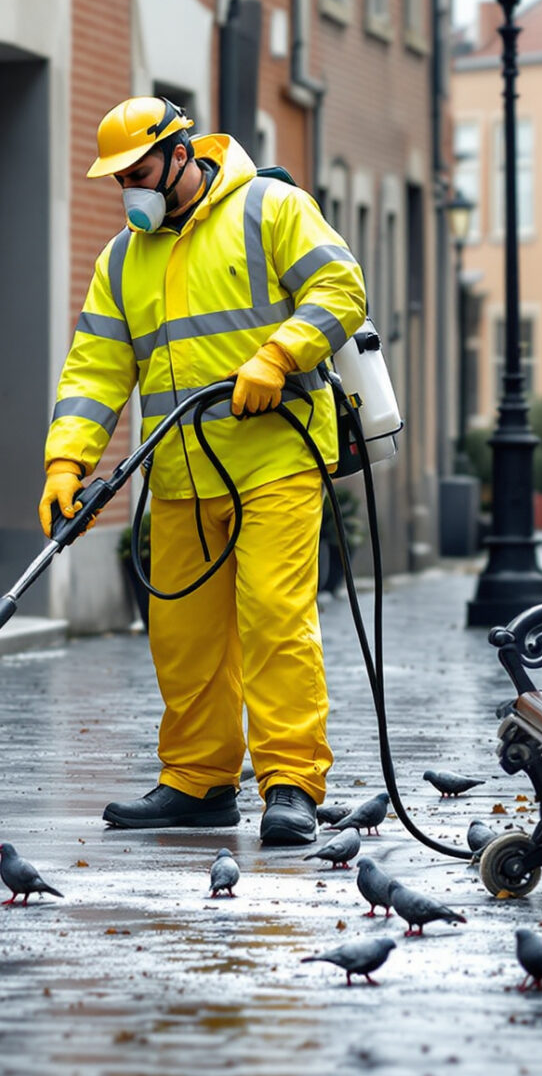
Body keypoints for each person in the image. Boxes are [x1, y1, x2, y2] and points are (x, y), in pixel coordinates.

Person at [41, 97, 368, 845]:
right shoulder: (123, 258)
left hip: (275, 457)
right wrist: (67, 461)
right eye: (119, 179)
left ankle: (289, 782)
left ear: (180, 154)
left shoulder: (270, 208)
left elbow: (341, 289)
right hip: (182, 471)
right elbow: (95, 368)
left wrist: (278, 355)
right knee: (183, 634)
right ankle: (198, 780)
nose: (132, 189)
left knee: (274, 619)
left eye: (141, 171)